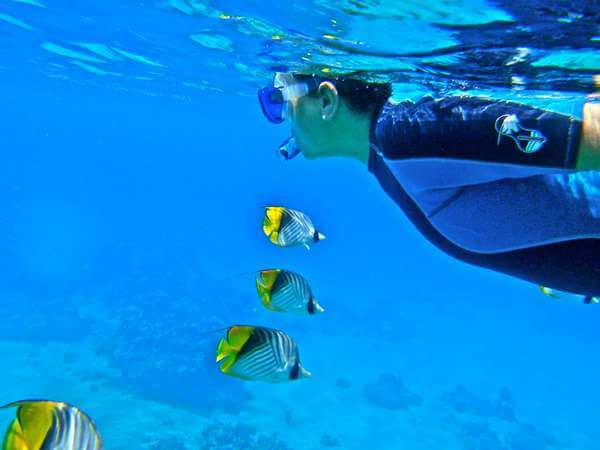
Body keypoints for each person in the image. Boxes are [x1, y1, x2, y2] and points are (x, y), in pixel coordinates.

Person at [258, 72, 600, 296]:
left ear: (327, 101)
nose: (280, 118)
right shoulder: (387, 157)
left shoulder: (404, 135)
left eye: (282, 100)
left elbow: (588, 137)